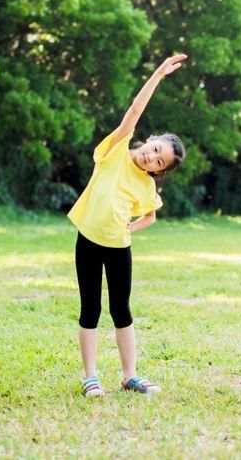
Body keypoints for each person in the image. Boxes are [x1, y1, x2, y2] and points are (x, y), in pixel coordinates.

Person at [67, 54, 188, 397]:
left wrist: (129, 229)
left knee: (121, 309)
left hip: (119, 248)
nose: (152, 157)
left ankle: (129, 375)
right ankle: (90, 376)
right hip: (88, 240)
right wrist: (159, 75)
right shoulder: (116, 149)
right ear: (149, 140)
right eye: (155, 149)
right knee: (90, 308)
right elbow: (134, 110)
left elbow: (149, 216)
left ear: (159, 170)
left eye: (159, 161)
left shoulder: (146, 186)